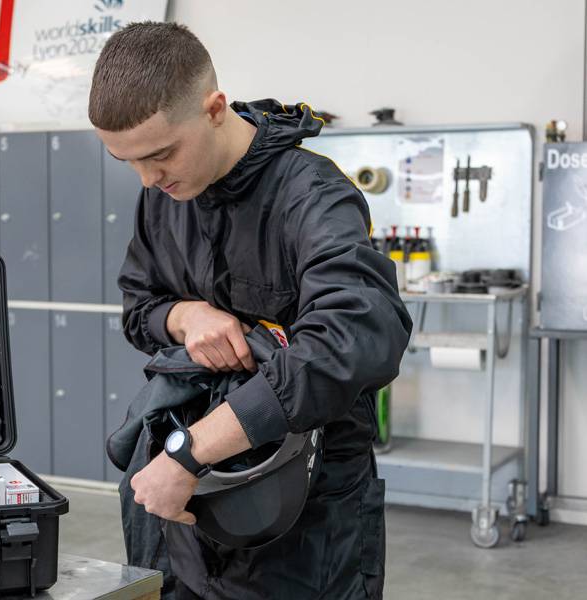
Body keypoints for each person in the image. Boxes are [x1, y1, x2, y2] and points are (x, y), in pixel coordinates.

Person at [89, 21, 412, 600]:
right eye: (128, 162)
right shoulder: (163, 197)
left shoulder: (311, 196)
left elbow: (355, 336)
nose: (148, 179)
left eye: (160, 155)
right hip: (193, 515)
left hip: (306, 529)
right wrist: (186, 317)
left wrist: (190, 453)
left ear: (214, 109)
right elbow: (140, 308)